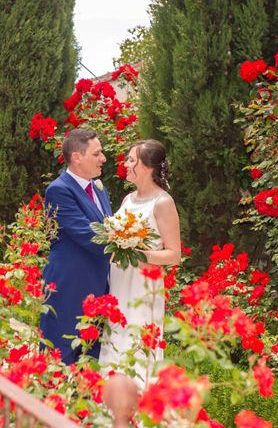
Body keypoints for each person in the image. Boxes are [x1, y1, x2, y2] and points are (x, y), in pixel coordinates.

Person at [98, 139, 181, 386]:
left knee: (136, 339)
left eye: (131, 160)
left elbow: (174, 254)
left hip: (143, 285)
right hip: (120, 281)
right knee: (115, 335)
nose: (126, 164)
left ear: (147, 167)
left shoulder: (163, 202)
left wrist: (140, 253)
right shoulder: (128, 199)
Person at [40, 128, 113, 364]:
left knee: (90, 361)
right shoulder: (59, 190)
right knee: (60, 357)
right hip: (68, 289)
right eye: (97, 154)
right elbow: (88, 235)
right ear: (76, 157)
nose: (103, 158)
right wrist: (127, 244)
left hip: (97, 289)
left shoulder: (100, 190)